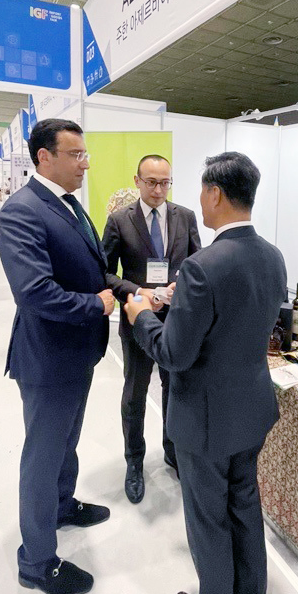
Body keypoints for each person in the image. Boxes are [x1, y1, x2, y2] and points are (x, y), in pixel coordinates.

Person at [125, 153, 287, 594]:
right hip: (251, 412)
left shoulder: (202, 267)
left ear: (215, 194)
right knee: (245, 509)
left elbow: (174, 353)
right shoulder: (273, 256)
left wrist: (141, 316)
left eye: (199, 190)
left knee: (209, 523)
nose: (197, 200)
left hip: (206, 421)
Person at [0, 118, 115, 594]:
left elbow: (94, 271)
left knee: (67, 441)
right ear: (44, 157)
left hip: (77, 353)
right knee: (42, 459)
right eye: (75, 154)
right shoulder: (21, 211)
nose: (85, 163)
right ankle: (37, 562)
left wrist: (130, 291)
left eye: (85, 154)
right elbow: (34, 292)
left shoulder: (68, 204)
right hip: (48, 359)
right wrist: (96, 306)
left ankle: (63, 506)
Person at [102, 154, 201, 503]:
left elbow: (196, 263)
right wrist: (137, 291)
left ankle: (173, 451)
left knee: (176, 388)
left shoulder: (184, 216)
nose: (158, 190)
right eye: (151, 182)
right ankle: (134, 461)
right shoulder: (119, 220)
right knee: (136, 391)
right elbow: (104, 273)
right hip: (138, 320)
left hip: (176, 319)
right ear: (137, 181)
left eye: (165, 183)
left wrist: (180, 285)